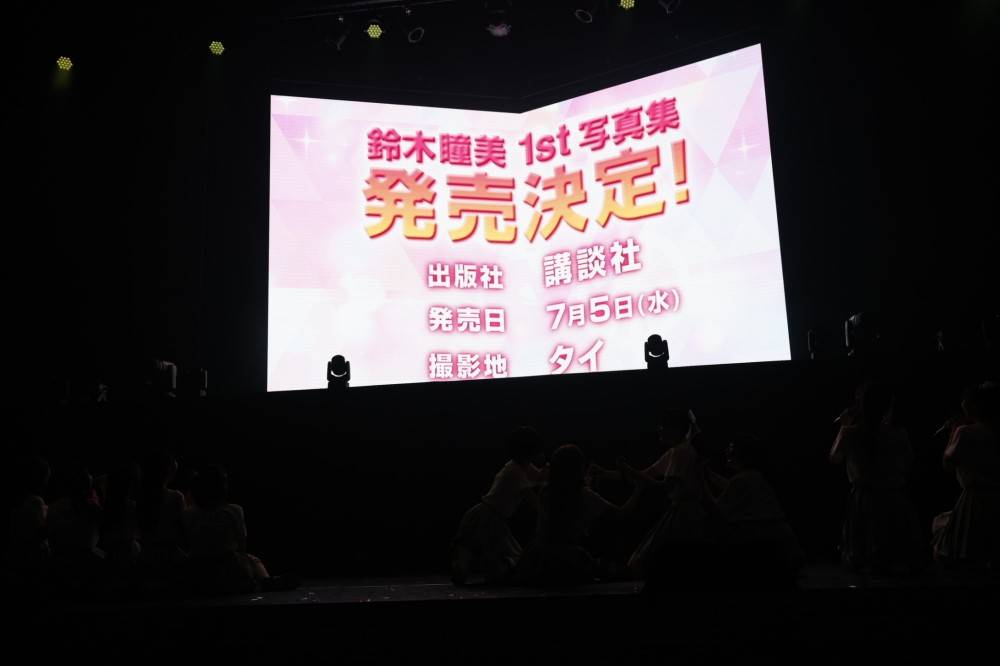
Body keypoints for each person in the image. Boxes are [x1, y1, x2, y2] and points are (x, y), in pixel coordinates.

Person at [830, 381, 925, 574]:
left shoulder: (851, 433)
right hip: (895, 498)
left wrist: (844, 426)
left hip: (865, 500)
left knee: (867, 554)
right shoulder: (899, 433)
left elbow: (834, 457)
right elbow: (909, 463)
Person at [515, 444, 644, 586]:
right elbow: (620, 513)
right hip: (567, 559)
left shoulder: (546, 492)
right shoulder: (583, 495)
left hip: (538, 558)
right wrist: (638, 490)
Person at [450, 426, 547, 585]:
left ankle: (462, 567)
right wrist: (548, 513)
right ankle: (482, 571)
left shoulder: (517, 466)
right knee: (499, 554)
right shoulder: (516, 472)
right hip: (491, 518)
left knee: (471, 544)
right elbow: (532, 498)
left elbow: (538, 478)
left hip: (480, 513)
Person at [183, 465, 294, 593]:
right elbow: (242, 545)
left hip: (198, 566)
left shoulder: (188, 514)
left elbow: (187, 540)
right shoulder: (233, 510)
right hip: (227, 565)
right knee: (252, 560)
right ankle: (265, 582)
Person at [706, 435, 804, 576]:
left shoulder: (742, 480)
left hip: (763, 542)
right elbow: (731, 487)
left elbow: (718, 508)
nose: (726, 450)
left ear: (741, 454)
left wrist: (701, 487)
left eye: (731, 448)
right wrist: (708, 474)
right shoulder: (754, 476)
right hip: (779, 539)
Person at [932, 381, 1000, 570]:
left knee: (957, 555)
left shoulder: (965, 432)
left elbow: (947, 463)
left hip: (974, 503)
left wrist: (954, 431)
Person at [136, 450, 187, 577]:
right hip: (169, 554)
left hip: (144, 553)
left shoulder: (139, 496)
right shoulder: (176, 497)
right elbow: (183, 529)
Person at [8, 455, 51, 586]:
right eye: (46, 477)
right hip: (33, 557)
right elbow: (39, 532)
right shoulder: (35, 502)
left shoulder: (20, 499)